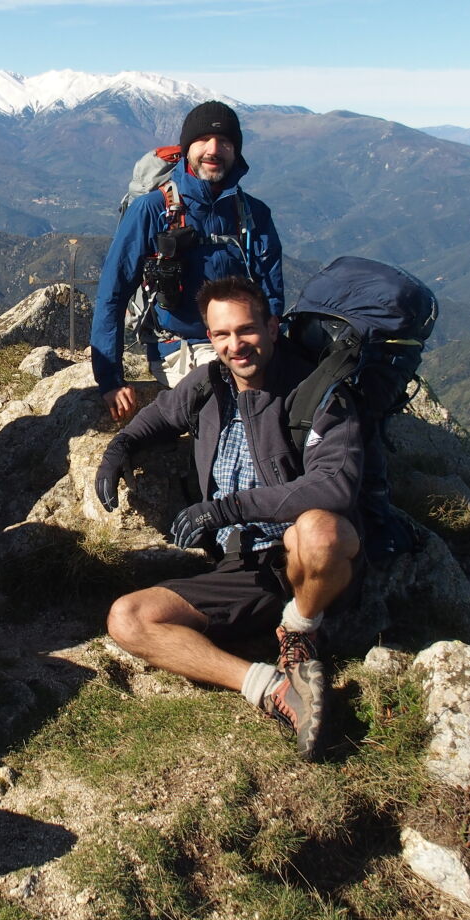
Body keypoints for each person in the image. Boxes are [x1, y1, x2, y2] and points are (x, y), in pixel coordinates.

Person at [96, 276, 361, 760]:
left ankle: (301, 630)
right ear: (209, 339)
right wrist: (120, 448)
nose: (235, 346)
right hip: (243, 571)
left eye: (246, 331)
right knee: (128, 618)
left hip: (305, 561)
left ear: (273, 327)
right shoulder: (210, 385)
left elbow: (335, 485)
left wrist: (227, 509)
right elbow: (158, 417)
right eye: (221, 335)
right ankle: (273, 687)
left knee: (319, 531)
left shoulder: (316, 394)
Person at [90, 101, 284, 423]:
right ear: (186, 148)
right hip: (182, 349)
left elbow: (271, 293)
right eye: (203, 140)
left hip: (244, 341)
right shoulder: (153, 210)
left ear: (236, 151)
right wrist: (110, 380)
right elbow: (112, 294)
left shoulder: (254, 214)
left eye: (225, 142)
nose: (213, 149)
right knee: (239, 409)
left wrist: (277, 344)